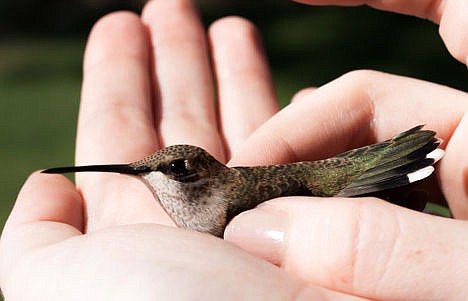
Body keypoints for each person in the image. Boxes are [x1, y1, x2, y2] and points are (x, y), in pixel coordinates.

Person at [1, 0, 467, 299]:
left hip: (327, 183)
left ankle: (408, 159)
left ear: (196, 174)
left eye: (174, 168)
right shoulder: (206, 205)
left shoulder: (229, 202)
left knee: (341, 178)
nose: (152, 176)